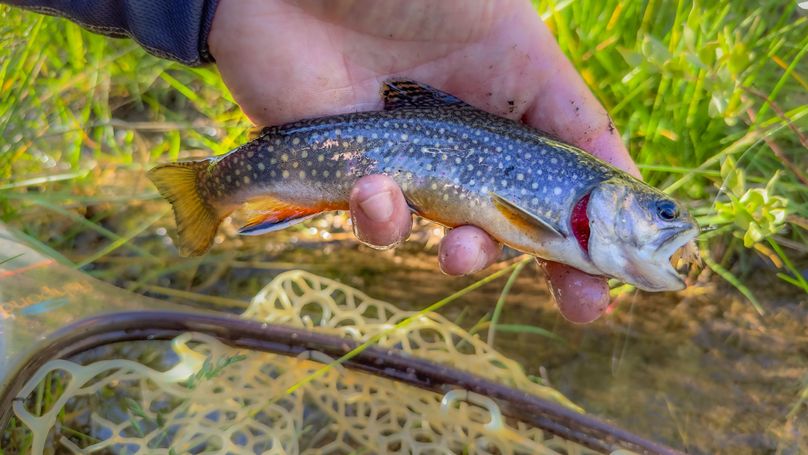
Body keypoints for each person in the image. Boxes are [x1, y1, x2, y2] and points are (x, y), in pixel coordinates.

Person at [5, 0, 641, 323]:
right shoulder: (578, 193)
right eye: (660, 213)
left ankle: (210, 190)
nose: (665, 224)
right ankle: (206, 190)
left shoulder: (579, 194)